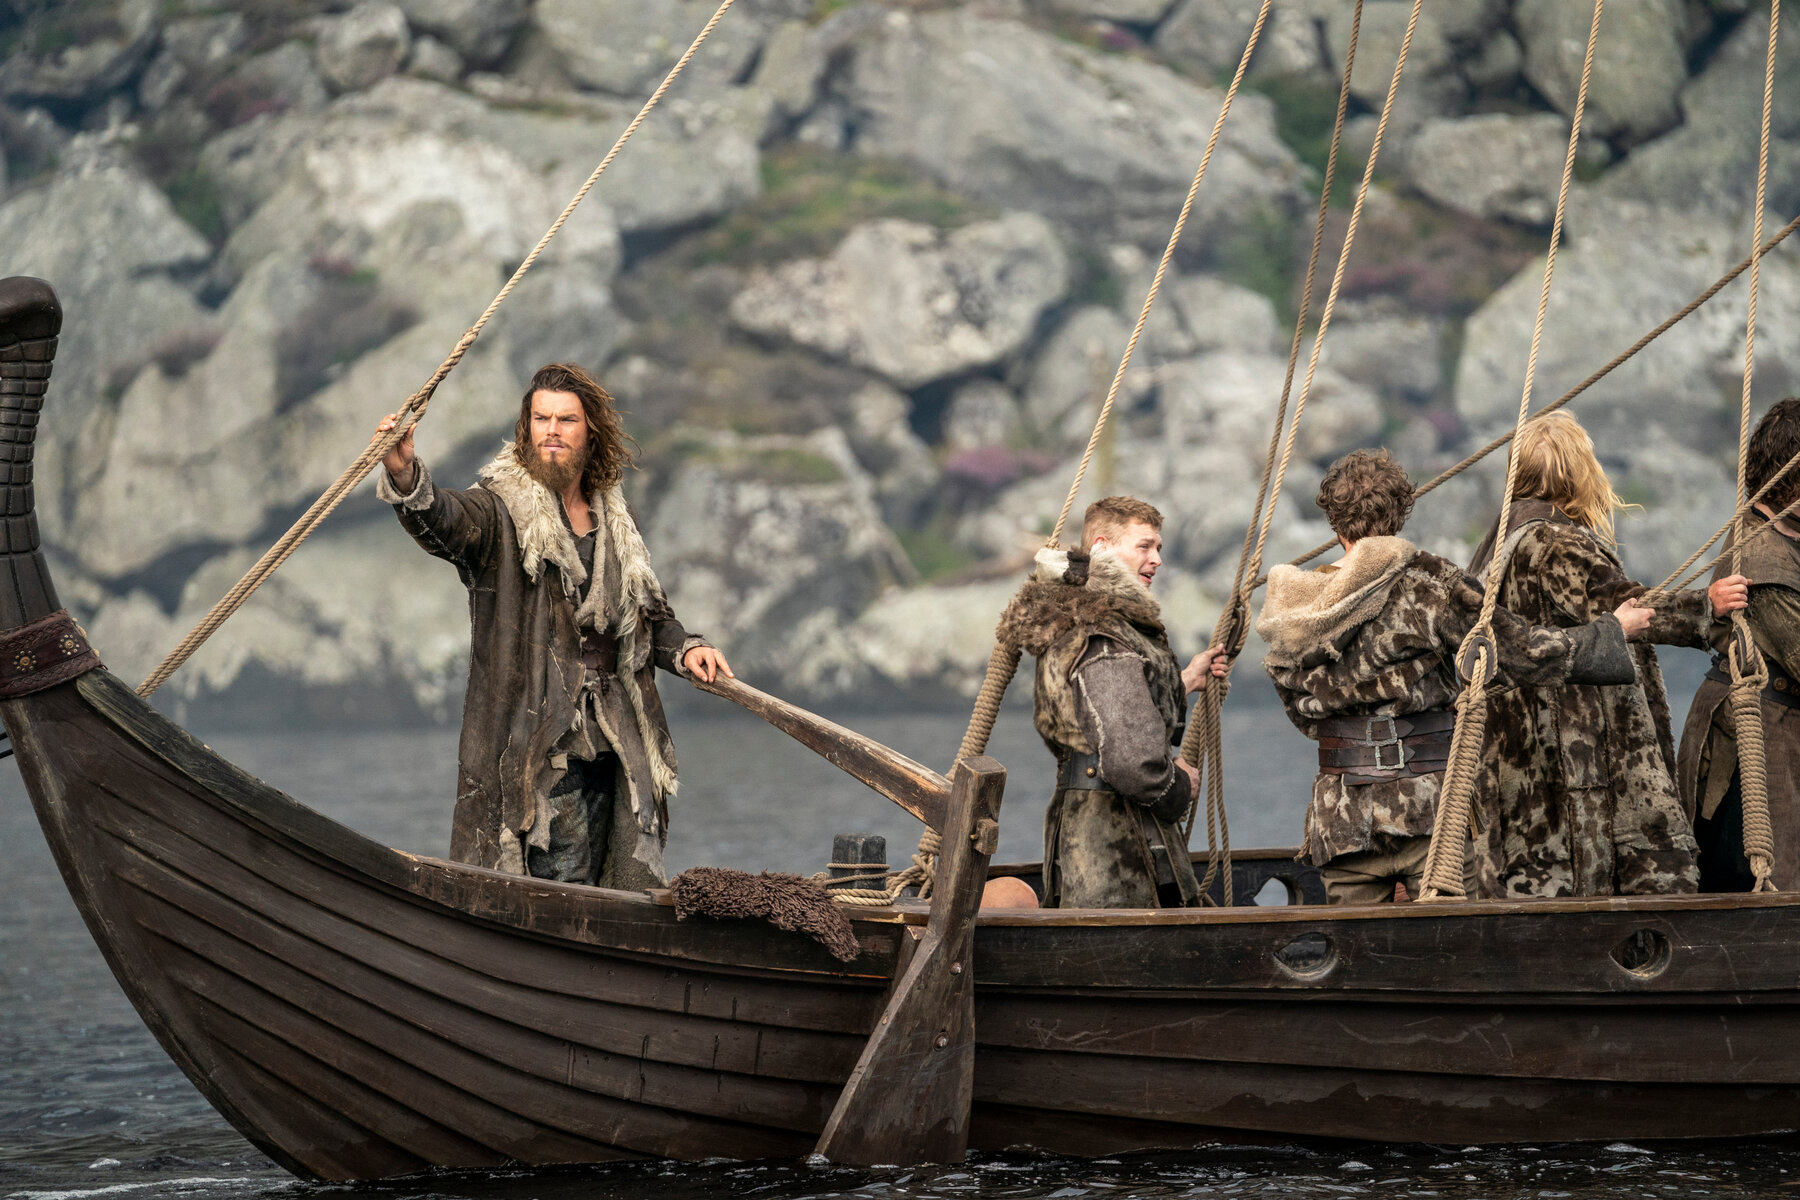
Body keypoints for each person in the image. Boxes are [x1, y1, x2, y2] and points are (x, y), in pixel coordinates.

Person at [372, 362, 730, 890]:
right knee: (556, 877)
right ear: (527, 427)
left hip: (616, 735)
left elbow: (648, 617)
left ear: (590, 433)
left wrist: (688, 650)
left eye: (565, 419)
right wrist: (405, 474)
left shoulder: (614, 520)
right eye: (541, 419)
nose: (552, 431)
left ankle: (607, 967)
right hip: (538, 737)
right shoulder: (500, 510)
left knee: (626, 876)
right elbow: (447, 522)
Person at [1255, 449, 1653, 905]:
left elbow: (1302, 715)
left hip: (1341, 820)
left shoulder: (1292, 612)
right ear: (1400, 512)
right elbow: (1521, 652)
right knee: (1450, 955)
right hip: (1431, 814)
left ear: (1333, 521)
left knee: (1359, 962)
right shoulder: (1427, 584)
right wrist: (1611, 632)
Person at [1465, 413, 1746, 898]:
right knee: (1645, 882)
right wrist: (1707, 606)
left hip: (1523, 761)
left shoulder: (1498, 548)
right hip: (1583, 760)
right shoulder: (1556, 543)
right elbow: (1629, 607)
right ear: (1579, 472)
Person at [998, 496, 1227, 908]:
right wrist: (1178, 787)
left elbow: (1106, 708)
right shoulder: (1104, 635)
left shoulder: (1086, 621)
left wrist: (1185, 680)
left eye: (1158, 548)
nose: (1156, 559)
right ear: (1102, 548)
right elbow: (1129, 761)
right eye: (1144, 546)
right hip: (1114, 847)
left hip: (1092, 832)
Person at [1679, 396, 1800, 891]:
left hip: (1778, 741)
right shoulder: (1763, 557)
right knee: (1765, 900)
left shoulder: (1782, 537)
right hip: (1753, 751)